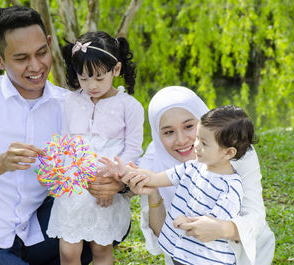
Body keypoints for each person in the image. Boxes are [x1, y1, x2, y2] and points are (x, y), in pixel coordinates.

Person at [0, 6, 121, 265]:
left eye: (42, 52)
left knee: (109, 214)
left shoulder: (71, 106)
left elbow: (106, 153)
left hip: (31, 236)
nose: (36, 66)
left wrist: (116, 185)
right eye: (21, 58)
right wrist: (1, 163)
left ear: (49, 44)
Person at [128, 86, 274, 265]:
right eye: (168, 132)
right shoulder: (155, 160)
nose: (182, 140)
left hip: (238, 253)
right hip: (183, 255)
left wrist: (220, 229)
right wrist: (153, 191)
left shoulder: (237, 153)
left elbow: (255, 216)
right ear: (157, 135)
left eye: (189, 126)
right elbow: (161, 232)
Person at [102, 105, 257, 265]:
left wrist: (185, 221)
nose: (196, 145)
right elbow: (155, 178)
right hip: (181, 252)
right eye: (197, 138)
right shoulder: (193, 166)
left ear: (228, 152)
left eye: (204, 143)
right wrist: (125, 170)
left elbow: (211, 225)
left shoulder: (230, 187)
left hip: (206, 259)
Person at [45, 31, 144, 265]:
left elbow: (133, 149)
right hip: (74, 185)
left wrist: (113, 175)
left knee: (101, 248)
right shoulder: (71, 102)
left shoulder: (129, 106)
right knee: (68, 250)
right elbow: (64, 141)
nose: (91, 85)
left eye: (99, 78)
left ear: (116, 70)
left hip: (105, 187)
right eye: (84, 78)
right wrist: (56, 169)